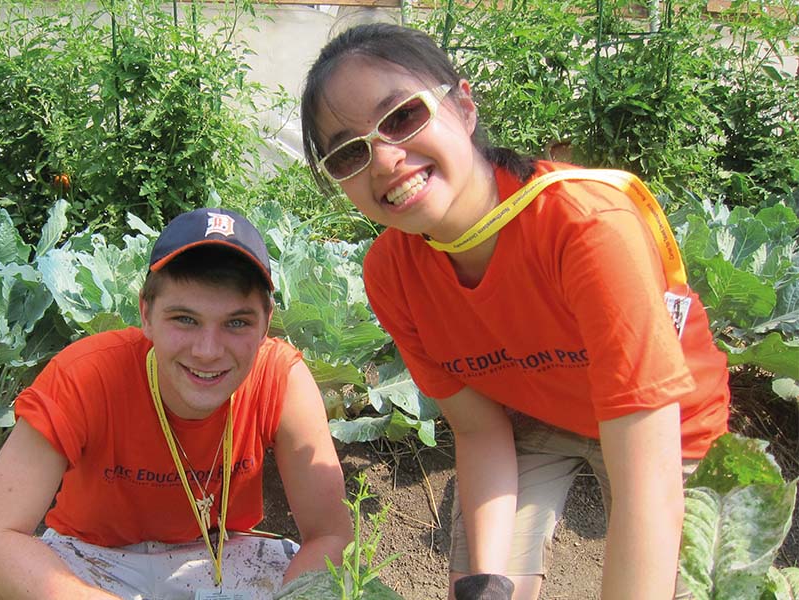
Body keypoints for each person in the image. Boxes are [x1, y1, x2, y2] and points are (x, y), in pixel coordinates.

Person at [299, 22, 730, 600]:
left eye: (401, 117)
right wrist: (487, 580)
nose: (385, 160)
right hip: (534, 416)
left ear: (465, 105)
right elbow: (480, 431)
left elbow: (647, 482)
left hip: (668, 428)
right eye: (351, 153)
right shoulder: (390, 273)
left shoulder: (586, 229)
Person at [0, 207, 353, 600]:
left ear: (266, 324)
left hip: (221, 553)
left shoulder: (282, 380)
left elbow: (331, 535)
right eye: (184, 319)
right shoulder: (83, 376)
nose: (207, 351)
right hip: (90, 559)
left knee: (333, 587)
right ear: (146, 314)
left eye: (237, 323)